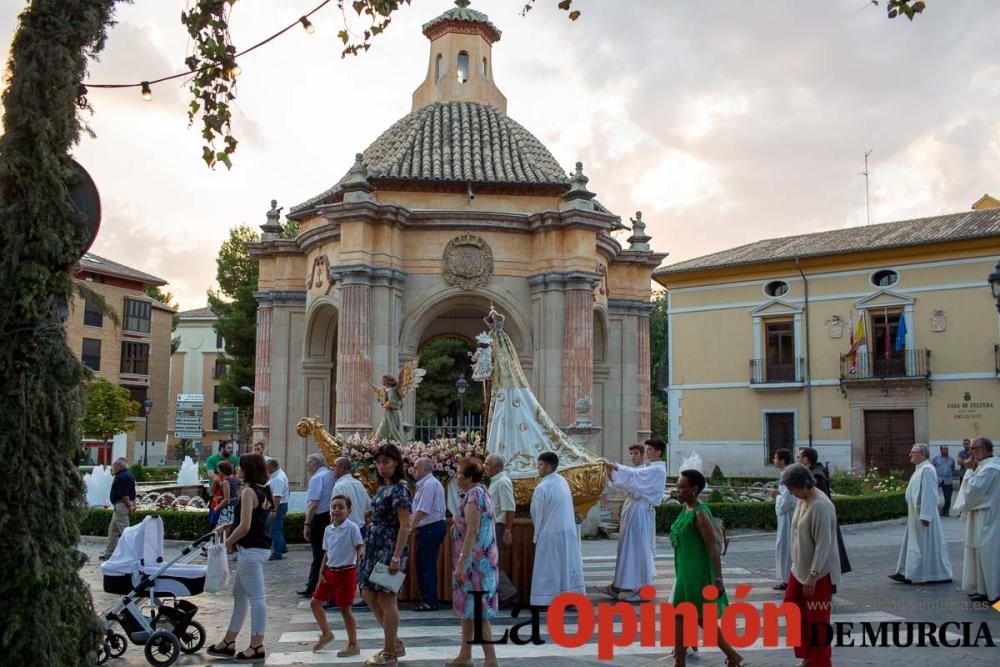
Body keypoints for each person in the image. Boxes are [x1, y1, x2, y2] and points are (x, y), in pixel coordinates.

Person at [669, 469, 745, 667]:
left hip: (698, 573)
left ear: (694, 489)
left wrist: (718, 579)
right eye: (677, 485)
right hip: (685, 571)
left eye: (681, 486)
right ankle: (733, 656)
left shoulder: (700, 513)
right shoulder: (686, 508)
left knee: (683, 614)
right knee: (701, 618)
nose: (677, 490)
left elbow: (713, 547)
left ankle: (680, 662)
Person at [206, 453, 274, 662]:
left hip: (251, 549)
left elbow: (245, 527)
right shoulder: (265, 490)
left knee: (256, 598)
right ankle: (229, 641)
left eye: (240, 466)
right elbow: (256, 520)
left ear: (248, 468)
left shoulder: (248, 492)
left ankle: (257, 645)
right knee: (240, 595)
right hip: (259, 547)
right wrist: (229, 527)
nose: (237, 469)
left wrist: (227, 543)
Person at [357, 443, 412, 666]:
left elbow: (404, 525)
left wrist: (396, 557)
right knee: (369, 595)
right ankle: (394, 642)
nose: (381, 466)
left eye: (386, 462)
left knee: (387, 598)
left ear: (396, 463)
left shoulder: (400, 489)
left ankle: (389, 652)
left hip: (389, 548)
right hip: (374, 546)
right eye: (379, 462)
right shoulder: (383, 487)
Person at [781, 463, 840, 667]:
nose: (792, 493)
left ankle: (822, 662)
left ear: (803, 485)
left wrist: (813, 574)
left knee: (818, 621)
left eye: (792, 489)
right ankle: (807, 654)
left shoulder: (820, 505)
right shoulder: (803, 499)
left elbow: (824, 543)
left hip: (819, 573)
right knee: (791, 607)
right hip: (798, 570)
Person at [448, 459, 500, 667]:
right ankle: (465, 654)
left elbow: (472, 530)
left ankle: (490, 659)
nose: (456, 476)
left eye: (460, 473)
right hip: (476, 559)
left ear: (470, 477)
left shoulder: (474, 496)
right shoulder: (480, 492)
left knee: (478, 611)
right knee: (467, 609)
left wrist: (461, 561)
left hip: (475, 563)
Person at [602, 439, 667, 601]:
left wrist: (614, 465)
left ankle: (641, 589)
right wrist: (612, 472)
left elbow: (635, 475)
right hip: (635, 509)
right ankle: (621, 585)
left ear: (658, 452)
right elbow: (630, 481)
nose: (648, 452)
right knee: (629, 549)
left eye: (650, 449)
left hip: (640, 510)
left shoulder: (657, 470)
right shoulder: (650, 468)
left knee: (638, 548)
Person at [890, 443, 952, 584]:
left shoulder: (927, 470)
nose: (910, 455)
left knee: (924, 545)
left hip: (923, 515)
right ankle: (906, 571)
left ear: (923, 454)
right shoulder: (920, 469)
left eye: (913, 452)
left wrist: (925, 515)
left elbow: (929, 494)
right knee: (913, 544)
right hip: (915, 514)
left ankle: (929, 573)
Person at [529, 452, 585, 606]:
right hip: (567, 530)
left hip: (550, 532)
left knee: (549, 568)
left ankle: (546, 600)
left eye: (541, 465)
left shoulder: (542, 487)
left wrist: (537, 534)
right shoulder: (563, 481)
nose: (539, 468)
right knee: (565, 565)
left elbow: (536, 512)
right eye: (538, 465)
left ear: (549, 466)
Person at [311, 495, 364, 657]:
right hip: (329, 572)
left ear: (349, 510)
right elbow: (327, 552)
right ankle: (326, 633)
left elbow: (359, 546)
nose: (336, 510)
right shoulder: (328, 529)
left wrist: (361, 554)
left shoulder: (352, 528)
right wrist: (321, 572)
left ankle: (353, 643)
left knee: (345, 609)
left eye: (341, 507)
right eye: (333, 507)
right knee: (315, 603)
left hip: (347, 573)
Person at [797, 446, 851, 575]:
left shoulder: (817, 476)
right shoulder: (811, 473)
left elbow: (820, 501)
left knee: (825, 553)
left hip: (820, 520)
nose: (797, 459)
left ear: (806, 459)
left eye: (799, 457)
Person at [960, 437, 1000, 604]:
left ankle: (993, 592)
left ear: (984, 449)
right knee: (978, 553)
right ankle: (982, 589)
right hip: (980, 516)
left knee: (987, 554)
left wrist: (968, 470)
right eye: (970, 449)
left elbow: (972, 492)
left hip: (987, 517)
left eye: (974, 448)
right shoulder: (985, 467)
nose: (971, 452)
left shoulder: (990, 468)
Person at [409, 457, 447, 611]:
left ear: (425, 469)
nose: (413, 470)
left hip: (431, 527)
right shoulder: (426, 484)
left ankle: (429, 600)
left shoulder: (429, 484)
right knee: (424, 563)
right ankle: (427, 597)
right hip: (429, 528)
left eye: (416, 467)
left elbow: (422, 510)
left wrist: (410, 527)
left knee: (426, 564)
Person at [299, 453, 335, 597]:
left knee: (318, 555)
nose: (307, 468)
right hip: (328, 516)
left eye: (308, 465)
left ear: (314, 465)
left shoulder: (317, 478)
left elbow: (314, 503)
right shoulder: (330, 474)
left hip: (319, 518)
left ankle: (313, 586)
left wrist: (307, 523)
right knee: (324, 554)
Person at [485, 453, 518, 605]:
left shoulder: (503, 482)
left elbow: (509, 508)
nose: (485, 467)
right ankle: (500, 593)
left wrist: (507, 530)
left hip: (498, 526)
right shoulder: (495, 481)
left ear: (497, 466)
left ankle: (507, 592)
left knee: (493, 561)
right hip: (492, 525)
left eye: (487, 464)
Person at [770, 448, 796, 590]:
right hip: (787, 517)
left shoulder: (787, 475)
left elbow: (789, 501)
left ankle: (786, 579)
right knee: (785, 545)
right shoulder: (786, 474)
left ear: (782, 460)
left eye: (775, 458)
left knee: (785, 546)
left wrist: (776, 496)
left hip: (787, 517)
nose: (774, 460)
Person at [100, 458, 136, 560]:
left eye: (114, 465)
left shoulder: (121, 477)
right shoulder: (129, 476)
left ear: (119, 466)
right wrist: (133, 505)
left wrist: (129, 505)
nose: (112, 467)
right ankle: (109, 554)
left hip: (121, 506)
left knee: (126, 532)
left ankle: (132, 555)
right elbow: (133, 493)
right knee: (113, 531)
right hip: (121, 506)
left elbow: (124, 494)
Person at [333, 457, 372, 534]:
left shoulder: (339, 486)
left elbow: (335, 512)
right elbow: (368, 506)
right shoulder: (359, 484)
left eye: (335, 466)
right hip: (361, 529)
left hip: (345, 531)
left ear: (342, 468)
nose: (332, 468)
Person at [266, 458, 289, 561]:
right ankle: (282, 547)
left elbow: (277, 496)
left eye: (267, 468)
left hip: (278, 506)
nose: (266, 470)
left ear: (272, 467)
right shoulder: (278, 475)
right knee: (276, 528)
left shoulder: (278, 479)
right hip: (280, 505)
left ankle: (277, 552)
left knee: (275, 529)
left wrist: (274, 510)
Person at [372, 374, 404, 443]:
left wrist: (385, 405)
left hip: (391, 413)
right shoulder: (387, 390)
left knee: (392, 430)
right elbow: (378, 390)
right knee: (383, 430)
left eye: (383, 379)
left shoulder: (391, 390)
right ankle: (379, 443)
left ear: (386, 380)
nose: (382, 381)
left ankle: (399, 446)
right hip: (389, 413)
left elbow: (392, 401)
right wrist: (370, 383)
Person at [931, 445, 956, 516]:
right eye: (944, 449)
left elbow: (953, 469)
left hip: (948, 480)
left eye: (947, 449)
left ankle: (946, 511)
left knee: (947, 497)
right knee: (934, 495)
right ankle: (935, 510)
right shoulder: (935, 459)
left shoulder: (951, 460)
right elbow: (932, 468)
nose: (946, 451)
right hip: (938, 479)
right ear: (941, 450)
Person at [215, 460, 238, 526]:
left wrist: (217, 508)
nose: (217, 471)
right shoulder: (234, 479)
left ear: (223, 470)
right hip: (234, 506)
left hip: (228, 509)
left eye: (218, 469)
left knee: (223, 528)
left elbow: (226, 500)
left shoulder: (226, 482)